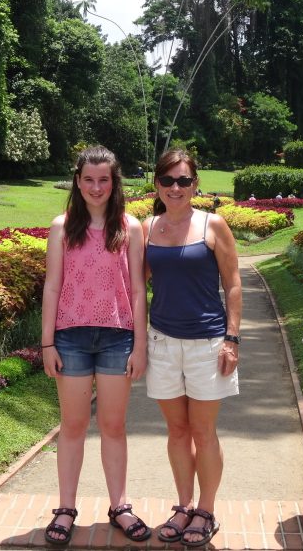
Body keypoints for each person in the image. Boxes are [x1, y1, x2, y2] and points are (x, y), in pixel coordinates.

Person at [41, 145, 150, 546]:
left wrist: (140, 345)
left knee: (113, 426)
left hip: (117, 338)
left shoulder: (130, 227)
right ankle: (66, 508)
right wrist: (47, 342)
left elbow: (138, 290)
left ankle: (119, 505)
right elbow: (51, 286)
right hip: (70, 337)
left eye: (104, 179)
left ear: (114, 181)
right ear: (78, 180)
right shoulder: (62, 226)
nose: (96, 186)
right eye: (89, 179)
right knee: (71, 426)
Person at [142, 148, 241, 548]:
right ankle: (184, 506)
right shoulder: (148, 228)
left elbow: (233, 283)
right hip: (163, 343)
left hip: (208, 343)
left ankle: (206, 509)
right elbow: (135, 283)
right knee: (177, 431)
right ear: (157, 185)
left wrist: (232, 339)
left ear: (195, 184)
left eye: (184, 180)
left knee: (203, 432)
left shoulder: (213, 225)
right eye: (168, 181)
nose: (176, 187)